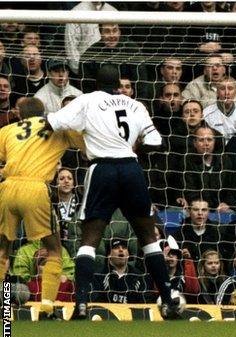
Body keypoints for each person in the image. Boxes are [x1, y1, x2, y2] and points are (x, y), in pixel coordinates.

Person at [45, 65, 180, 320]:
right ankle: (168, 301)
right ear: (119, 84)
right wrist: (132, 149)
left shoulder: (87, 100)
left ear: (96, 83)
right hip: (132, 169)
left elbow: (54, 122)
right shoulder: (135, 105)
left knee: (89, 239)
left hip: (103, 169)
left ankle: (82, 304)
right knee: (149, 239)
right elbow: (156, 141)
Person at [0, 97, 84, 320]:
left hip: (7, 188)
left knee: (2, 249)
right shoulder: (56, 128)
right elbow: (85, 144)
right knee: (54, 249)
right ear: (44, 111)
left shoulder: (7, 130)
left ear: (19, 113)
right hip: (36, 189)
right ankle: (47, 306)